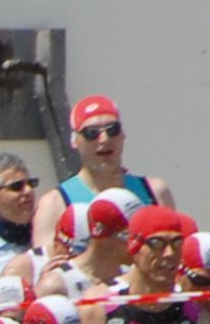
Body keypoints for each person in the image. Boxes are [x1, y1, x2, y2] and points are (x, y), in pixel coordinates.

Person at [33, 93, 171, 256]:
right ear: (74, 141)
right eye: (91, 133)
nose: (104, 139)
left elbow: (175, 255)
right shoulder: (54, 204)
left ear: (123, 135)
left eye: (113, 130)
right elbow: (47, 268)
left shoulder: (154, 191)